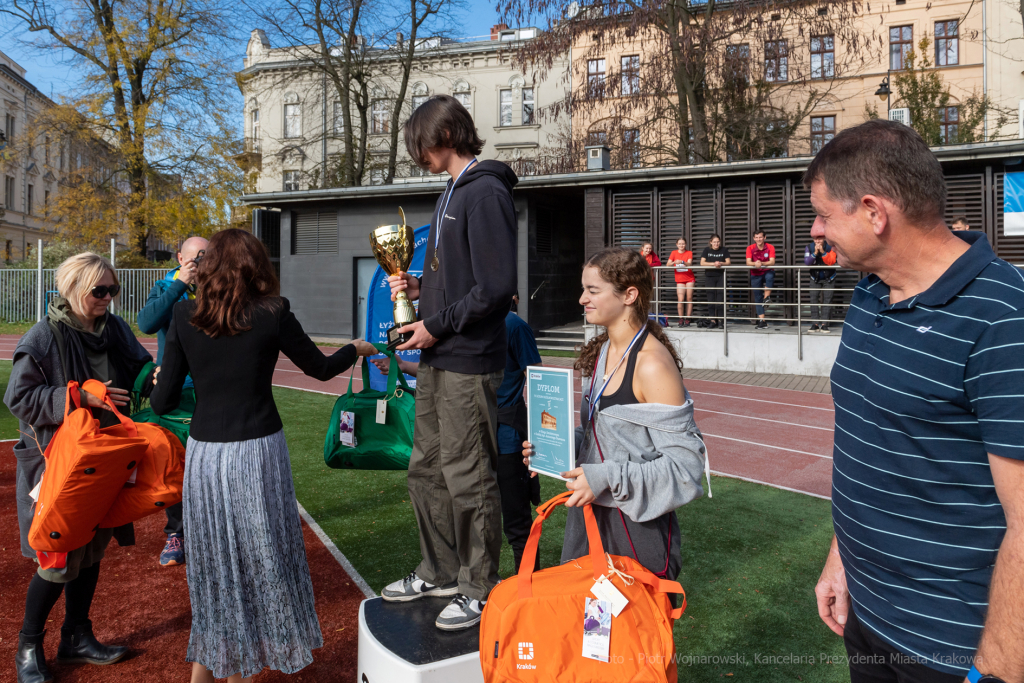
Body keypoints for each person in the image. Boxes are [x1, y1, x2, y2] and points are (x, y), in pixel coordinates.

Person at [809, 120, 1024, 683]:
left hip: (953, 649)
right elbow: (872, 439)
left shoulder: (1003, 317)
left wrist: (997, 669)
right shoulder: (871, 286)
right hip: (870, 617)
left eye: (826, 215)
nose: (816, 229)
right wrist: (841, 558)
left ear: (875, 213)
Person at [150, 229, 377, 683]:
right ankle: (240, 669)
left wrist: (160, 379)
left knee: (215, 567)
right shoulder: (273, 312)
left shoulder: (182, 314)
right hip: (258, 453)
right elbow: (320, 368)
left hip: (206, 458)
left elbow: (162, 403)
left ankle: (215, 665)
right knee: (260, 564)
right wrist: (356, 348)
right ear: (256, 266)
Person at [380, 94, 518, 631]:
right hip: (440, 356)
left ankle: (480, 586)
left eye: (420, 143)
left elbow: (497, 288)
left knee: (466, 473)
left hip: (468, 360)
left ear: (444, 135)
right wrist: (419, 289)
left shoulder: (484, 192)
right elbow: (459, 281)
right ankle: (438, 570)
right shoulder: (449, 193)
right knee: (427, 468)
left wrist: (434, 324)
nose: (418, 155)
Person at [6, 253, 156, 683]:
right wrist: (78, 397)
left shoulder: (113, 330)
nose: (108, 298)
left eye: (113, 290)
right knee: (56, 559)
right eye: (99, 291)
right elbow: (19, 399)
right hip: (59, 466)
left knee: (90, 552)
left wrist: (160, 374)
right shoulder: (42, 337)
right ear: (73, 289)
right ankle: (28, 646)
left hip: (104, 458)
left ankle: (76, 637)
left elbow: (138, 367)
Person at [522, 247, 707, 583]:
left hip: (634, 534)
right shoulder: (604, 349)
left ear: (629, 295)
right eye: (584, 289)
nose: (582, 299)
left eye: (593, 291)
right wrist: (552, 447)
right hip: (590, 522)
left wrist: (607, 478)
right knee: (585, 631)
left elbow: (687, 470)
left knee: (626, 634)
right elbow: (600, 437)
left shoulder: (651, 365)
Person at [373, 295, 542, 573]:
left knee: (510, 521)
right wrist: (403, 366)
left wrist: (541, 440)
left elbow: (537, 378)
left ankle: (525, 589)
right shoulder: (469, 326)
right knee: (490, 516)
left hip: (505, 439)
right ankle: (510, 588)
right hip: (471, 436)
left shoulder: (513, 325)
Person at [136, 235, 209, 567]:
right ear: (180, 258)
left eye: (205, 259)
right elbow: (147, 323)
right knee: (172, 463)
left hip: (211, 390)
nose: (198, 266)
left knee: (209, 464)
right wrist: (180, 284)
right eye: (194, 259)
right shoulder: (166, 285)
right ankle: (176, 532)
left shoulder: (219, 287)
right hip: (175, 392)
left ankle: (211, 531)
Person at [802, 234, 837, 333]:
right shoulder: (809, 247)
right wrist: (815, 253)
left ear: (824, 238)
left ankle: (825, 325)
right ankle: (815, 324)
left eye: (820, 239)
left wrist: (822, 252)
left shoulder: (831, 247)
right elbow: (807, 262)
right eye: (815, 239)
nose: (817, 241)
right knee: (813, 299)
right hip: (815, 278)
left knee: (827, 300)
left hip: (829, 277)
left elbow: (831, 261)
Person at [745, 230, 775, 329]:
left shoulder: (770, 247)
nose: (758, 239)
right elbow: (748, 262)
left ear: (764, 237)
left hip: (767, 270)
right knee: (757, 297)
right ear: (754, 238)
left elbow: (772, 262)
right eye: (756, 237)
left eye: (760, 237)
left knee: (770, 276)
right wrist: (755, 264)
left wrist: (762, 263)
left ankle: (766, 298)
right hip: (755, 274)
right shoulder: (750, 248)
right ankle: (762, 321)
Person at [698, 235, 730, 329]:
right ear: (711, 242)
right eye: (715, 242)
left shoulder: (724, 250)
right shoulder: (707, 250)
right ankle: (712, 320)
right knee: (711, 299)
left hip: (720, 276)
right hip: (709, 277)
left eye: (718, 242)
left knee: (720, 299)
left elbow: (728, 262)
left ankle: (720, 321)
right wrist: (713, 264)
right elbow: (702, 263)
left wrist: (721, 263)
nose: (716, 244)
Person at [667, 238, 694, 326]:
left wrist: (682, 262)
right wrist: (674, 262)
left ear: (685, 244)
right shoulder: (674, 253)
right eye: (679, 244)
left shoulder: (689, 252)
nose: (681, 245)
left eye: (683, 244)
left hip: (689, 278)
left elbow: (689, 263)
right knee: (681, 299)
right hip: (679, 279)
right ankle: (681, 318)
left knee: (689, 298)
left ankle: (688, 318)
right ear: (677, 245)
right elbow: (668, 264)